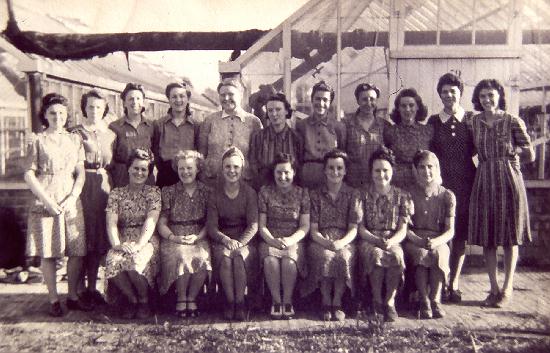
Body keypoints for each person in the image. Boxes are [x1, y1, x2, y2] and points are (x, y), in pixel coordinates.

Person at [468, 79, 535, 308]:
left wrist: (511, 162)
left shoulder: (512, 121)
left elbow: (530, 153)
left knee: (509, 236)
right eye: (483, 96)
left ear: (499, 96)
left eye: (491, 95)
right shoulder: (474, 122)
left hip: (508, 181)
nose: (487, 100)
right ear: (478, 99)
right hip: (484, 179)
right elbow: (470, 150)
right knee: (488, 237)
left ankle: (507, 289)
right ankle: (493, 289)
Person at [24, 93, 90, 316]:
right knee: (49, 252)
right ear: (44, 114)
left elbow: (80, 172)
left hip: (70, 198)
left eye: (62, 112)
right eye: (52, 113)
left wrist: (73, 196)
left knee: (77, 250)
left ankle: (72, 295)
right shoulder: (37, 140)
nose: (57, 117)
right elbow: (29, 174)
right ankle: (53, 299)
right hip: (46, 198)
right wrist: (47, 201)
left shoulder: (75, 139)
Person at [428, 73, 476, 303]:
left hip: (465, 185)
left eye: (453, 91)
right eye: (444, 91)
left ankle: (454, 282)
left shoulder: (471, 120)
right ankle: (439, 280)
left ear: (460, 93)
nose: (448, 95)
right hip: (440, 185)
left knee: (459, 236)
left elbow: (480, 152)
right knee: (440, 234)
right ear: (440, 94)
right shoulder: (434, 122)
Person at [303, 149, 362, 321]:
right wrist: (325, 242)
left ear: (345, 171)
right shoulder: (314, 195)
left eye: (339, 168)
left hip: (345, 239)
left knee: (343, 256)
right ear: (324, 170)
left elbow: (353, 228)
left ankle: (337, 302)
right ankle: (325, 301)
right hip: (320, 239)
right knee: (325, 256)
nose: (335, 172)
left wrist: (341, 242)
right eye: (330, 168)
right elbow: (313, 229)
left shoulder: (353, 194)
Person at [71, 89, 116, 306]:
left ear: (104, 109)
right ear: (84, 109)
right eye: (90, 107)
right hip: (84, 186)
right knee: (83, 237)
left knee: (99, 238)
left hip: (104, 186)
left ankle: (93, 288)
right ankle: (79, 291)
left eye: (99, 107)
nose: (95, 111)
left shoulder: (110, 134)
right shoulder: (76, 132)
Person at [104, 148, 161, 319]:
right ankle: (132, 299)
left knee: (136, 260)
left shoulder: (153, 193)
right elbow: (111, 222)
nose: (139, 172)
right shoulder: (116, 194)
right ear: (128, 168)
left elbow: (151, 221)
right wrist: (117, 244)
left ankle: (144, 301)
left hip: (147, 239)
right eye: (136, 168)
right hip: (123, 238)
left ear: (148, 172)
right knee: (113, 260)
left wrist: (139, 245)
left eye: (144, 169)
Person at [357, 147, 411, 322]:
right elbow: (360, 228)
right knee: (376, 255)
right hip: (369, 238)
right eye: (377, 170)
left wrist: (391, 241)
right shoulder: (361, 194)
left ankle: (390, 301)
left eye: (385, 170)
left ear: (392, 171)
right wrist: (375, 240)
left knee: (396, 255)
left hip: (393, 238)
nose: (381, 175)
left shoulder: (402, 196)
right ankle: (376, 300)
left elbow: (403, 229)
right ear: (371, 172)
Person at [157, 150, 211, 318]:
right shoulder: (168, 191)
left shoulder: (207, 191)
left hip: (199, 235)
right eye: (181, 168)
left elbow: (211, 222)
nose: (185, 172)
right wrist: (174, 237)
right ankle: (181, 298)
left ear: (197, 169)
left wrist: (198, 237)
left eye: (189, 168)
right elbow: (162, 223)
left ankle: (191, 297)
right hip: (174, 235)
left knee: (202, 255)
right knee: (181, 254)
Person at [207, 147, 259, 321]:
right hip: (222, 239)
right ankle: (229, 302)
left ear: (242, 169)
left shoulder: (250, 193)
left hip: (244, 239)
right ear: (222, 169)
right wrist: (226, 240)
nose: (232, 171)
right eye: (228, 166)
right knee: (225, 258)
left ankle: (240, 302)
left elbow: (253, 225)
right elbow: (212, 227)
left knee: (239, 258)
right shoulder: (214, 194)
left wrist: (240, 242)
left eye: (236, 167)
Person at [258, 153, 310, 319]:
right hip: (270, 237)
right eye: (279, 172)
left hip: (293, 238)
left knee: (289, 260)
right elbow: (262, 225)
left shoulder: (302, 194)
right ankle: (276, 301)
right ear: (273, 173)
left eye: (287, 172)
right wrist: (272, 240)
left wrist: (290, 240)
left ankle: (287, 301)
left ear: (294, 172)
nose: (283, 176)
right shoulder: (265, 192)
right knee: (270, 260)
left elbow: (305, 226)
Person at [405, 150, 456, 319]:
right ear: (416, 170)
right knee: (421, 254)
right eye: (422, 167)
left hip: (439, 238)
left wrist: (436, 242)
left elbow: (450, 230)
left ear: (436, 168)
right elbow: (404, 228)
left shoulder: (446, 195)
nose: (426, 171)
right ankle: (424, 300)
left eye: (430, 167)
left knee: (439, 253)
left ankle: (435, 299)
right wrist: (418, 240)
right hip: (415, 239)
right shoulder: (408, 194)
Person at [198, 78, 263, 186]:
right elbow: (201, 153)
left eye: (231, 94)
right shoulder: (210, 120)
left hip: (244, 183)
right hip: (212, 182)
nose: (226, 98)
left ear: (240, 95)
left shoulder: (254, 122)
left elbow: (258, 156)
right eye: (222, 95)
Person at [296, 81, 346, 189]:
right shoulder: (301, 125)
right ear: (312, 100)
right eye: (317, 99)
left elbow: (343, 154)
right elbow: (298, 154)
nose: (321, 103)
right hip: (307, 175)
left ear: (330, 102)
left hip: (330, 175)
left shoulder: (339, 127)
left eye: (325, 100)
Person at [249, 93, 304, 188]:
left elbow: (300, 167)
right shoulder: (258, 137)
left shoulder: (296, 138)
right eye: (270, 110)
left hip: (289, 190)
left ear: (286, 111)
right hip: (263, 190)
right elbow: (253, 165)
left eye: (278, 109)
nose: (274, 114)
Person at [384, 88, 433, 190]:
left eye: (411, 105)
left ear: (418, 107)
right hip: (397, 184)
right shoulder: (390, 132)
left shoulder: (428, 131)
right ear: (398, 109)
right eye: (403, 106)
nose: (407, 109)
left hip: (421, 182)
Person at [153, 82, 199, 188]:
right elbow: (155, 150)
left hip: (188, 174)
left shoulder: (196, 126)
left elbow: (198, 150)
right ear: (169, 99)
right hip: (165, 174)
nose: (178, 100)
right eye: (174, 97)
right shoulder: (159, 124)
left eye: (182, 96)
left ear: (187, 99)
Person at [109, 83, 155, 187]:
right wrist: (133, 154)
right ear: (124, 103)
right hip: (122, 179)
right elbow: (111, 157)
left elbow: (157, 152)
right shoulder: (114, 127)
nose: (135, 102)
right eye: (130, 99)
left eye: (138, 98)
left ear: (143, 102)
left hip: (146, 178)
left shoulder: (152, 126)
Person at [345, 83, 387, 188]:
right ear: (358, 101)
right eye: (364, 99)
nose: (368, 103)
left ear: (376, 101)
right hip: (353, 182)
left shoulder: (384, 125)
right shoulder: (346, 125)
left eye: (372, 99)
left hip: (377, 182)